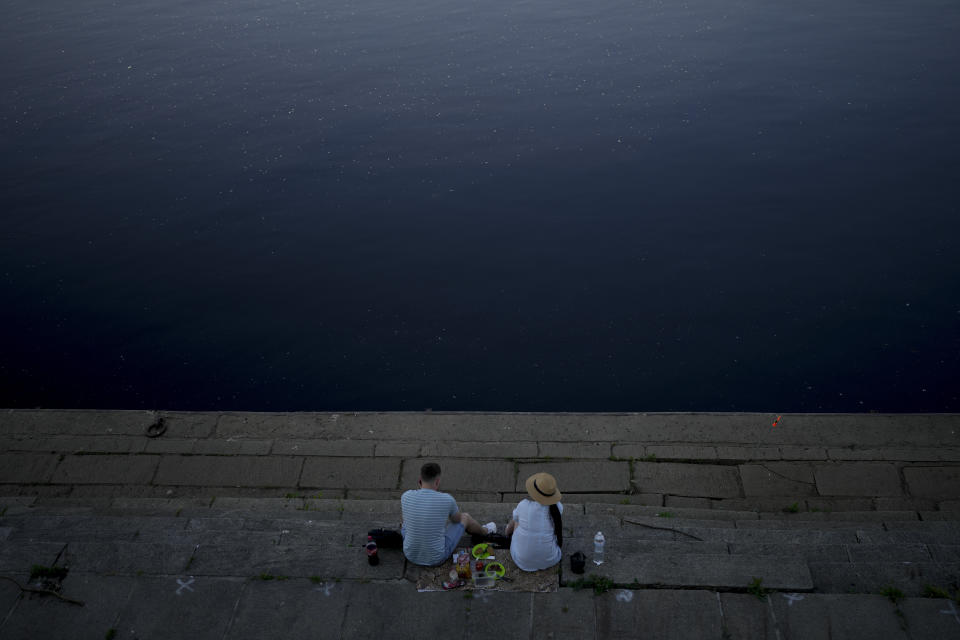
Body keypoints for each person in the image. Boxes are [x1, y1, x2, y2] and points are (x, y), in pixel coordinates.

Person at [400, 462, 493, 566]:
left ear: (420, 481)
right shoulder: (447, 499)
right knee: (465, 517)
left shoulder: (405, 496)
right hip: (436, 558)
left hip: (410, 555)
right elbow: (456, 520)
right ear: (437, 482)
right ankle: (485, 531)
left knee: (405, 522)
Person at [505, 472, 563, 571]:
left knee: (516, 521)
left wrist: (507, 532)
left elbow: (514, 521)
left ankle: (509, 535)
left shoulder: (523, 505)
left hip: (522, 561)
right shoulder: (558, 507)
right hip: (551, 559)